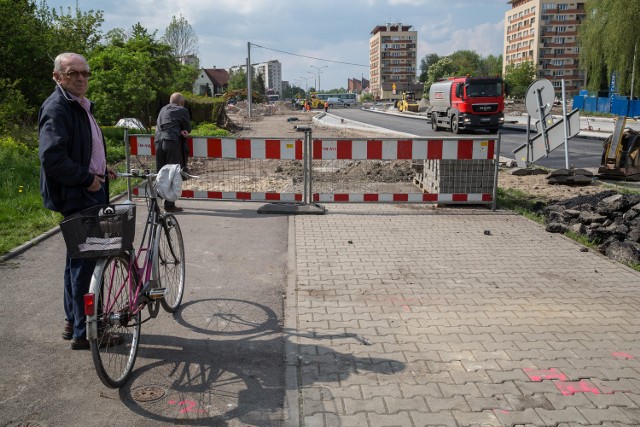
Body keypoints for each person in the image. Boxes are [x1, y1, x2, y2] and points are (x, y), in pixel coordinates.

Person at [39, 52, 120, 350]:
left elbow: (80, 147)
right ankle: (87, 332)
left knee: (77, 259)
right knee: (86, 262)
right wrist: (87, 179)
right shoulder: (58, 107)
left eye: (85, 73)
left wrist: (101, 168)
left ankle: (73, 321)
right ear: (58, 76)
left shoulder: (77, 105)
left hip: (86, 189)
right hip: (78, 194)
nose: (82, 79)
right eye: (74, 73)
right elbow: (52, 157)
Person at [155, 92, 191, 212]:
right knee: (172, 173)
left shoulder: (162, 109)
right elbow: (187, 128)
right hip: (171, 142)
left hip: (158, 141)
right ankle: (169, 205)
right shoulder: (182, 110)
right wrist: (183, 131)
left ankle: (155, 204)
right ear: (181, 102)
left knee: (160, 173)